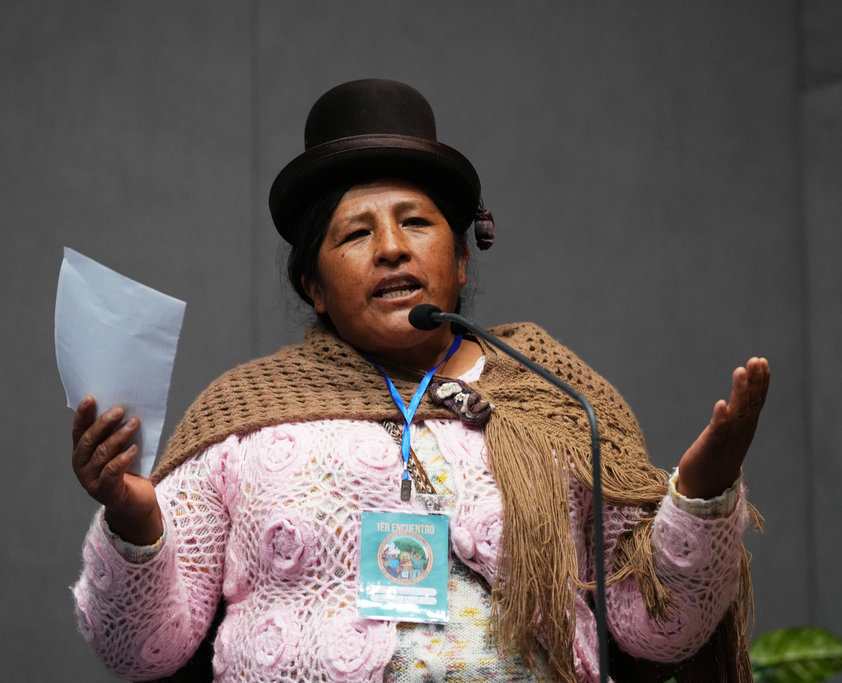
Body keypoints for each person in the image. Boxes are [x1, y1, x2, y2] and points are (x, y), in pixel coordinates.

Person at [71, 79, 769, 683]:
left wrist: (703, 493)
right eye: (355, 234)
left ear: (461, 263)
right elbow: (144, 650)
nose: (394, 248)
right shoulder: (245, 415)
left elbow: (656, 627)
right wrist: (135, 521)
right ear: (314, 285)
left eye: (415, 223)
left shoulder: (553, 395)